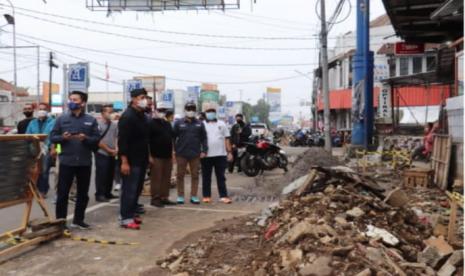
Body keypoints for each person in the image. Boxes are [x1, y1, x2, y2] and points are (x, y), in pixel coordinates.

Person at [50, 91, 100, 229]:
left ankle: (78, 220)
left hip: (84, 162)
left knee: (83, 194)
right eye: (70, 99)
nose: (72, 101)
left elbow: (96, 140)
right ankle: (60, 222)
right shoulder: (61, 119)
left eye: (75, 99)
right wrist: (62, 138)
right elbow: (53, 137)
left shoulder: (91, 120)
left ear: (82, 103)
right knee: (62, 194)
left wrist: (86, 138)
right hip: (66, 161)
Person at [118, 88, 150, 230]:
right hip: (130, 160)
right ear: (134, 99)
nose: (144, 100)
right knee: (129, 190)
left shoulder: (141, 115)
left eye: (145, 97)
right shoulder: (127, 116)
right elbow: (122, 141)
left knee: (136, 189)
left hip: (141, 158)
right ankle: (125, 218)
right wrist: (124, 161)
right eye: (142, 97)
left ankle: (131, 213)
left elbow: (144, 139)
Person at [173, 101, 208, 204]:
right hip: (181, 153)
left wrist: (204, 151)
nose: (190, 111)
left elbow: (204, 138)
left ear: (195, 110)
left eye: (192, 109)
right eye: (188, 109)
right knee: (180, 175)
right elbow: (173, 137)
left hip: (195, 154)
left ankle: (194, 196)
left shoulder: (199, 123)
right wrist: (174, 150)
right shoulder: (178, 122)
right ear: (185, 110)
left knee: (195, 175)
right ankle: (180, 196)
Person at [201, 105, 233, 204]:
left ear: (215, 113)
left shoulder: (222, 124)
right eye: (208, 112)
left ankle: (223, 196)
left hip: (220, 155)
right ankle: (206, 196)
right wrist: (200, 151)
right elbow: (199, 139)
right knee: (206, 177)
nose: (210, 113)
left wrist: (229, 152)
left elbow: (227, 138)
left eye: (212, 112)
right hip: (206, 155)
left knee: (221, 177)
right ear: (205, 114)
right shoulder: (202, 124)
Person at [149, 102, 176, 207]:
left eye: (163, 111)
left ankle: (164, 197)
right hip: (156, 156)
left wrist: (172, 153)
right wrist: (149, 156)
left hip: (167, 155)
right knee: (156, 178)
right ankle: (155, 198)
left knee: (166, 178)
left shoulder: (166, 124)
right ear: (155, 111)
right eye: (160, 110)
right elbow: (147, 141)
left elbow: (171, 139)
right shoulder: (150, 123)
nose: (162, 112)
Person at [26, 103, 56, 197]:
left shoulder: (53, 122)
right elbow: (27, 135)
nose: (41, 111)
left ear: (47, 111)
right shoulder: (32, 123)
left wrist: (57, 151)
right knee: (34, 171)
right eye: (40, 109)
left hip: (47, 149)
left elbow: (56, 137)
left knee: (44, 170)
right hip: (34, 149)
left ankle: (43, 191)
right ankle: (36, 189)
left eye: (44, 109)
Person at [94, 104, 118, 202]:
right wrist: (108, 150)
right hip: (101, 152)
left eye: (112, 112)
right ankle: (100, 194)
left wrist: (116, 149)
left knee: (110, 174)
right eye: (109, 112)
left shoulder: (114, 124)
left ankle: (108, 193)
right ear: (103, 113)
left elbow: (116, 137)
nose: (112, 114)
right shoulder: (98, 125)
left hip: (112, 153)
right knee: (102, 174)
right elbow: (97, 140)